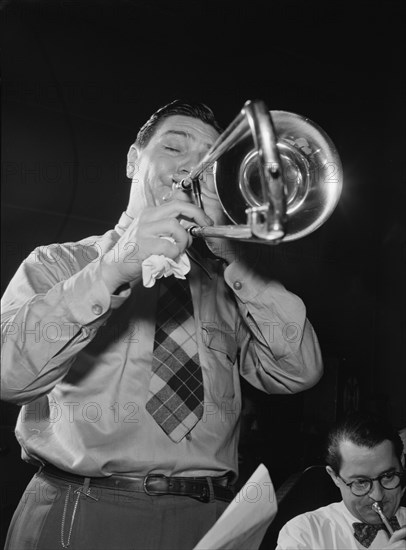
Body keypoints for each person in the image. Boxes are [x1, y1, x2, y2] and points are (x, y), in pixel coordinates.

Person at [1, 100, 323, 550]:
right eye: (175, 147)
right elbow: (9, 376)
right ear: (134, 160)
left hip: (209, 521)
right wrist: (116, 266)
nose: (192, 165)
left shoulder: (229, 283)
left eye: (210, 157)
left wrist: (236, 257)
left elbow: (297, 372)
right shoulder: (59, 262)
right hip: (83, 509)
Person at [276, 413, 406, 549]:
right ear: (334, 477)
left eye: (388, 476)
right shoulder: (304, 533)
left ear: (402, 464)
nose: (377, 495)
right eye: (361, 482)